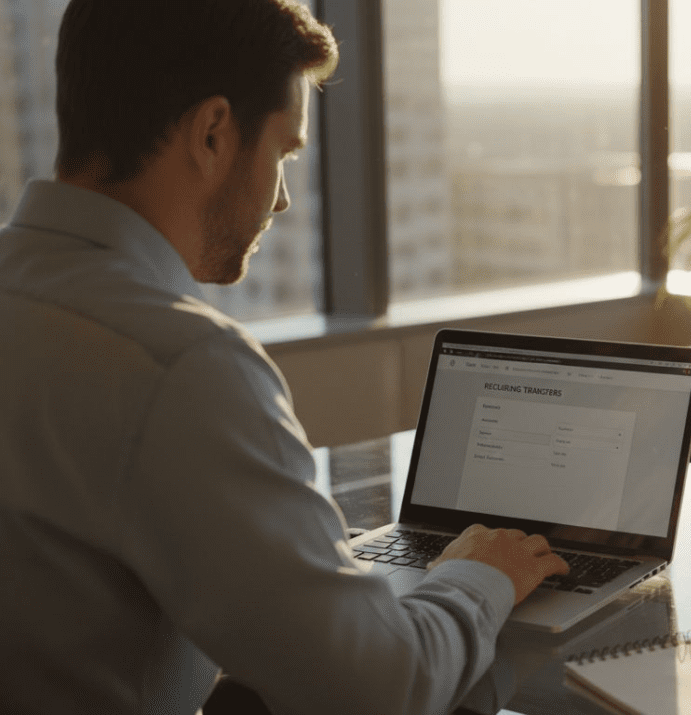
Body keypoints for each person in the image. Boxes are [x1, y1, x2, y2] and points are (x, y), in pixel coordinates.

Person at [0, 2, 567, 713]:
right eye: (284, 153)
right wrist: (479, 576)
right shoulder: (180, 363)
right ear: (213, 133)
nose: (283, 198)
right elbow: (380, 688)